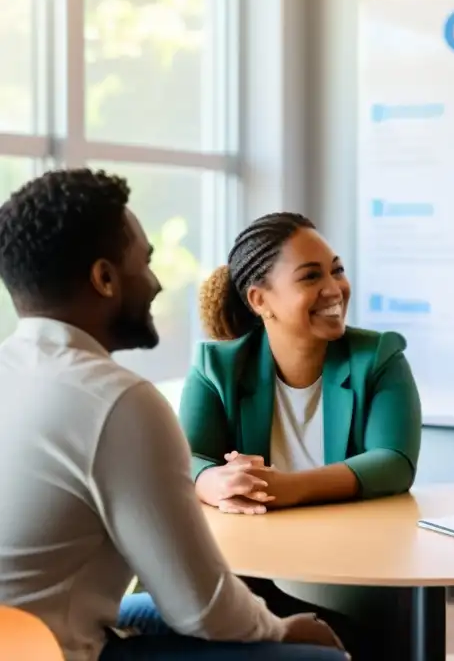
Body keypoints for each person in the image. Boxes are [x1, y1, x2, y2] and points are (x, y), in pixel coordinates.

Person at [0, 169, 347, 661]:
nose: (158, 283)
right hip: (48, 649)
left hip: (19, 629)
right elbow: (201, 608)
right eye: (145, 261)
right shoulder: (118, 402)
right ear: (105, 279)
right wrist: (284, 630)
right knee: (319, 656)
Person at [177, 212, 422, 654]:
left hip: (360, 578)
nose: (334, 289)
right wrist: (212, 481)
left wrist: (287, 488)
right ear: (259, 300)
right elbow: (185, 460)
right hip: (251, 581)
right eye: (311, 276)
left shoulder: (380, 356)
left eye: (337, 270)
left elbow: (394, 462)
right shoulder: (216, 368)